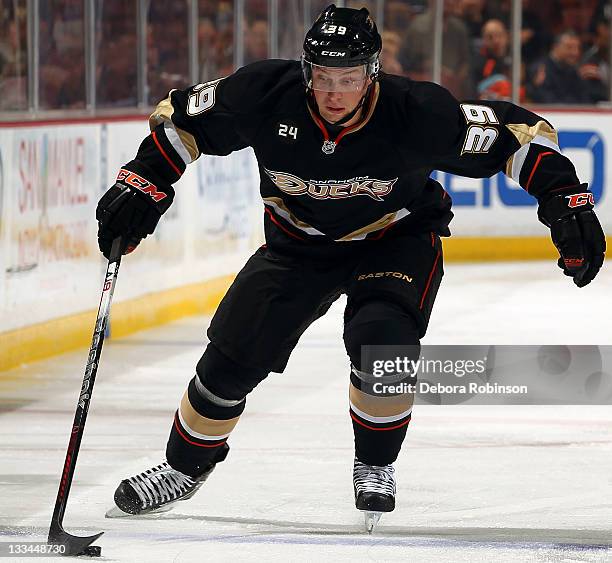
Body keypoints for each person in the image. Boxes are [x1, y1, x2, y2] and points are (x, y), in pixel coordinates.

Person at [96, 5, 605, 531]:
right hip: (298, 245)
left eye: (348, 78)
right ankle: (183, 469)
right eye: (322, 77)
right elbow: (181, 121)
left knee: (381, 341)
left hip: (395, 239)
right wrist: (142, 182)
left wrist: (565, 199)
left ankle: (375, 463)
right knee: (230, 360)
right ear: (305, 69)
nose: (333, 92)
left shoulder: (417, 112)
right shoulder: (264, 94)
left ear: (372, 73)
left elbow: (518, 135)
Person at [529, 30, 591, 104]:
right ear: (555, 47)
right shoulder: (540, 69)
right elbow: (546, 101)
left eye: (578, 48)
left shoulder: (574, 71)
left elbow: (585, 101)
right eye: (569, 47)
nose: (575, 52)